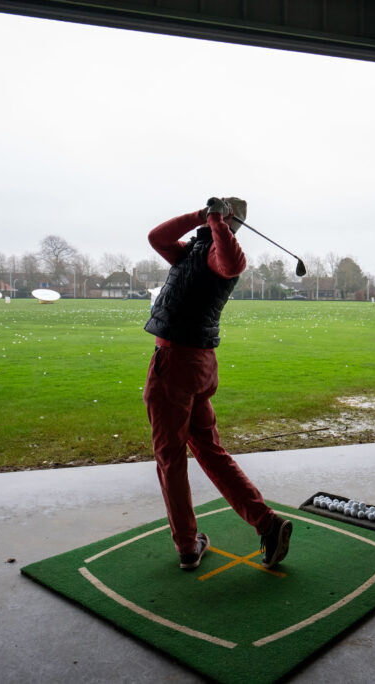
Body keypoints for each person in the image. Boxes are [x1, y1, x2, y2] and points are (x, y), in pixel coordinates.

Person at [142, 197, 292, 571]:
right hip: (196, 365)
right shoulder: (191, 252)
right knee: (209, 450)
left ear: (230, 223)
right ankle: (267, 523)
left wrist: (217, 223)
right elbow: (156, 237)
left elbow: (231, 263)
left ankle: (187, 546)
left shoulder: (221, 254)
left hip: (177, 365)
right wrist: (199, 216)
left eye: (220, 217)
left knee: (169, 458)